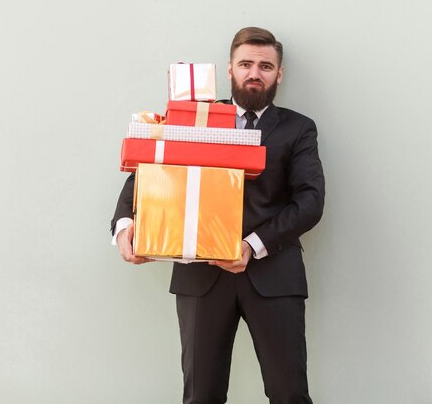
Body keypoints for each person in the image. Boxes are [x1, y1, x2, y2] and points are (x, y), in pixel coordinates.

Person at [111, 27, 325, 404]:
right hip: (200, 277)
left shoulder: (298, 128)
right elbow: (150, 169)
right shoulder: (195, 118)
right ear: (230, 69)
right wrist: (125, 226)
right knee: (201, 396)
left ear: (279, 74)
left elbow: (310, 201)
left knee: (289, 394)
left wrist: (252, 245)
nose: (254, 73)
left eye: (265, 66)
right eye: (245, 64)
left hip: (273, 274)